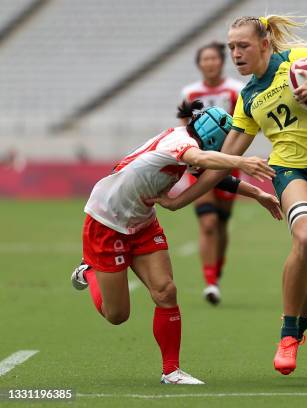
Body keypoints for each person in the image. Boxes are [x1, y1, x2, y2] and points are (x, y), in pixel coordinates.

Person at [147, 15, 307, 376]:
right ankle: (286, 334)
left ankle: (300, 328)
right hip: (289, 170)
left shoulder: (300, 60)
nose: (235, 54)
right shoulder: (248, 99)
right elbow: (223, 164)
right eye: (231, 47)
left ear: (265, 44)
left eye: (243, 46)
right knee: (305, 236)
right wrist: (179, 200)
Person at [70, 101, 280, 384]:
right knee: (117, 315)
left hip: (142, 222)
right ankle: (89, 271)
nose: (221, 152)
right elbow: (205, 161)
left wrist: (258, 194)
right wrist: (241, 161)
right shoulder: (181, 142)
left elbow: (213, 176)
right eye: (221, 147)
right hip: (107, 222)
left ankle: (171, 371)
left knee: (166, 291)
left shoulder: (190, 147)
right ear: (211, 138)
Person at [179, 42, 246, 305]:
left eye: (213, 59)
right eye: (204, 59)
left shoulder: (236, 91)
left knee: (221, 223)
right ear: (199, 63)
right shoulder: (190, 92)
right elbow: (184, 128)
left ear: (221, 62)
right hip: (200, 164)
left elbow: (247, 125)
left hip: (229, 163)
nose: (209, 63)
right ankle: (210, 283)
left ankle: (216, 271)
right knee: (207, 223)